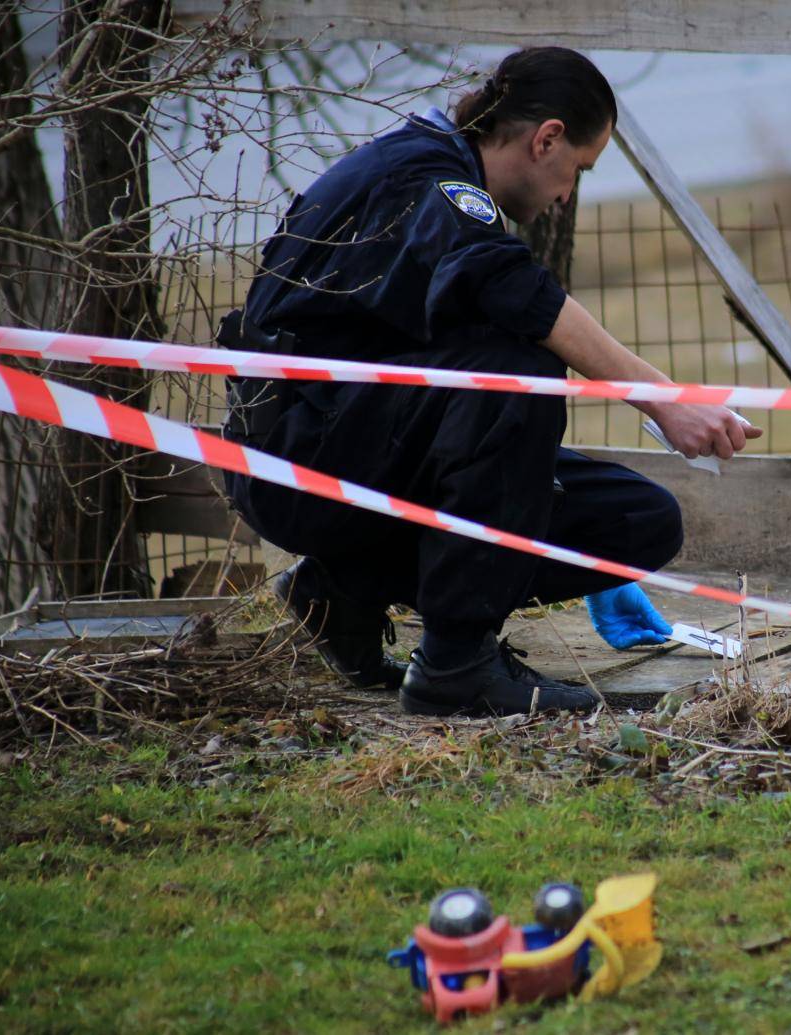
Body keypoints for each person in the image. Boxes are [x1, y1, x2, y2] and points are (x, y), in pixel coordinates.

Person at [217, 47, 760, 717]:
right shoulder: (429, 179)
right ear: (546, 138)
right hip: (298, 462)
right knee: (522, 366)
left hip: (351, 441)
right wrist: (662, 396)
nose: (566, 197)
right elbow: (511, 288)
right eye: (576, 172)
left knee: (640, 520)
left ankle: (343, 590)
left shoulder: (440, 180)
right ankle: (456, 661)